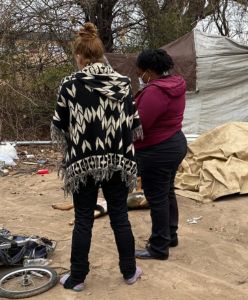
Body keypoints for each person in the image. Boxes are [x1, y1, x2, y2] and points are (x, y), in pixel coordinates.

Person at [51, 23, 143, 291]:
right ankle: (129, 272)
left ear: (79, 56)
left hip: (83, 163)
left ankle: (77, 278)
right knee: (120, 217)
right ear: (100, 54)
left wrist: (86, 133)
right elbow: (133, 122)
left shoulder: (70, 84)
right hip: (118, 161)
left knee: (83, 219)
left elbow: (60, 125)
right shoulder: (124, 83)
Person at [133, 49, 187, 260]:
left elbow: (140, 126)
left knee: (157, 198)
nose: (137, 73)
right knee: (166, 193)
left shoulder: (155, 92)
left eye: (139, 69)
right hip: (174, 143)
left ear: (148, 70)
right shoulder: (175, 84)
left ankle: (158, 247)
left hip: (158, 150)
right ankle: (170, 236)